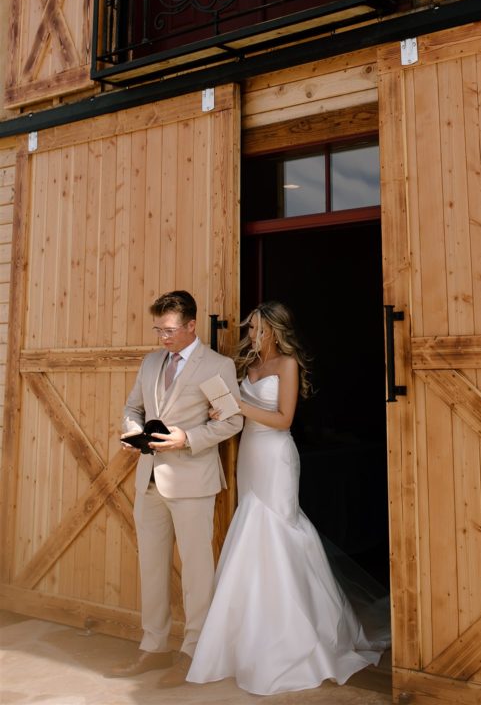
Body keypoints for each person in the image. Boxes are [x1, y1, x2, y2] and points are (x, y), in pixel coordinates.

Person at [186, 300, 386, 695]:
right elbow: (243, 415)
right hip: (249, 454)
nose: (252, 335)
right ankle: (246, 638)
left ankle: (295, 637)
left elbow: (284, 419)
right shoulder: (250, 366)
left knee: (277, 529)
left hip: (276, 455)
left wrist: (241, 405)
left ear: (276, 331)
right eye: (250, 328)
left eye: (258, 329)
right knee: (250, 529)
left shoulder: (287, 364)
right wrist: (223, 413)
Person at [109, 290, 243, 689]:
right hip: (147, 479)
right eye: (158, 330)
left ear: (190, 326)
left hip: (192, 481)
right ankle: (153, 648)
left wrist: (187, 438)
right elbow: (134, 408)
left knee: (197, 573)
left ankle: (194, 652)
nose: (162, 337)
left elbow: (231, 422)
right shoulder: (151, 362)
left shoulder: (217, 365)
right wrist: (132, 430)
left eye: (168, 330)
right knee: (152, 568)